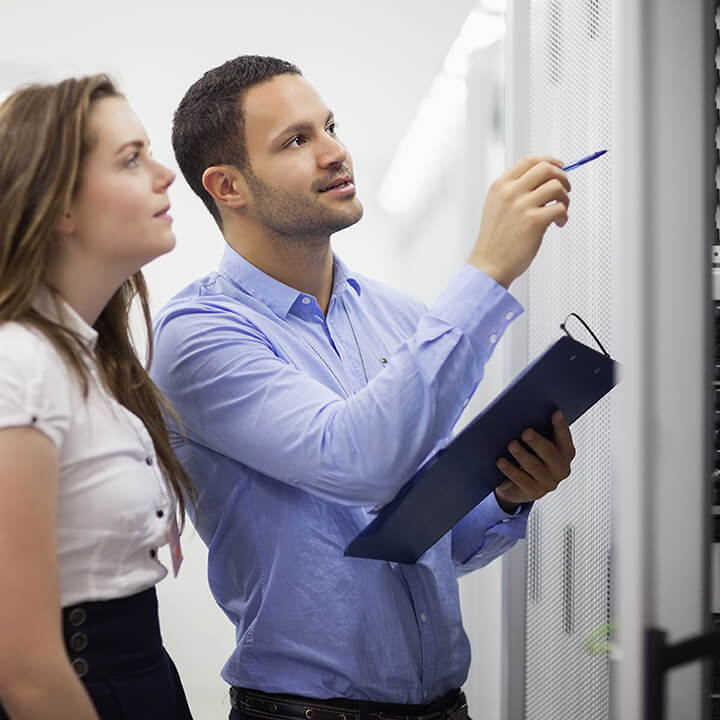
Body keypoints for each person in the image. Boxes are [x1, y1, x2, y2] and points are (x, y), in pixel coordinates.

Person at [151, 55, 575, 719]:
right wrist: (488, 268)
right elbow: (360, 461)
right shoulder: (196, 336)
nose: (335, 152)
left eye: (330, 127)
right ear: (227, 186)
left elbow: (432, 541)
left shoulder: (401, 318)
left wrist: (505, 495)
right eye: (297, 140)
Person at [0, 75, 194, 720]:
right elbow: (25, 673)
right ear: (60, 205)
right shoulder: (19, 362)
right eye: (131, 158)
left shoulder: (91, 361)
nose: (165, 175)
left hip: (139, 679)